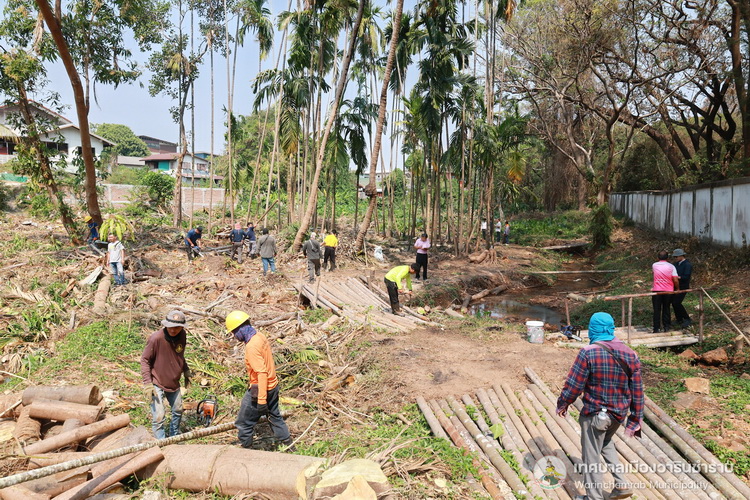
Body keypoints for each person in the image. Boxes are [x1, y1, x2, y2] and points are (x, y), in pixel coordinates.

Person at [556, 312, 643, 500]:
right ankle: (622, 485)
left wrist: (563, 403)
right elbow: (637, 391)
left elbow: (574, 384)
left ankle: (593, 497)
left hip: (595, 415)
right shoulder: (631, 354)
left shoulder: (588, 352)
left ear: (592, 329)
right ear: (611, 329)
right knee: (605, 442)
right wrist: (635, 418)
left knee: (591, 457)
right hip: (618, 415)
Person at [225, 310, 293, 450]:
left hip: (259, 389)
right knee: (275, 417)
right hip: (273, 386)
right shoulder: (259, 336)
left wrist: (261, 400)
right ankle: (289, 445)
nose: (234, 336)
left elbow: (261, 373)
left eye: (234, 332)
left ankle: (247, 450)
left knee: (243, 423)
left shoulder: (252, 346)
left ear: (239, 329)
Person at [141, 310, 192, 439]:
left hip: (173, 381)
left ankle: (174, 437)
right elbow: (145, 360)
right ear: (165, 325)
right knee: (159, 416)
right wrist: (148, 384)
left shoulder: (182, 335)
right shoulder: (156, 339)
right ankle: (161, 442)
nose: (173, 330)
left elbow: (179, 355)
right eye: (170, 327)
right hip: (157, 381)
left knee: (178, 409)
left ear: (182, 327)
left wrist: (185, 370)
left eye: (177, 327)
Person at [651, 250, 679, 333]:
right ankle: (666, 327)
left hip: (656, 290)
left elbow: (654, 274)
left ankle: (656, 328)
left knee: (656, 309)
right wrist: (677, 288)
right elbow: (675, 279)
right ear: (667, 258)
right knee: (666, 308)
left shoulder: (654, 265)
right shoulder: (671, 266)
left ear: (658, 258)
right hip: (668, 290)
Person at [671, 249, 693, 328]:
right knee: (674, 303)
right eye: (674, 257)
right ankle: (679, 319)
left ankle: (687, 318)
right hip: (675, 286)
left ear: (681, 256)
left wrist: (678, 277)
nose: (675, 258)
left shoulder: (687, 264)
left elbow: (686, 276)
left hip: (683, 286)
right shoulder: (675, 264)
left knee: (677, 302)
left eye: (676, 257)